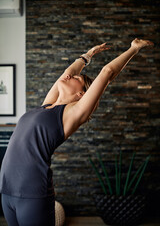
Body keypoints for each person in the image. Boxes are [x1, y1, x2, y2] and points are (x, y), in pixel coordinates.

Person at [0, 38, 153, 226]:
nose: (69, 76)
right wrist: (87, 55)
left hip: (32, 191)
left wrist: (133, 49)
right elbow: (68, 72)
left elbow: (107, 72)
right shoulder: (47, 105)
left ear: (82, 95)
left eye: (77, 78)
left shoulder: (72, 114)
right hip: (7, 189)